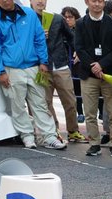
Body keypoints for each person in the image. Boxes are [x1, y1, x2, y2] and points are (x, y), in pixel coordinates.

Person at [0, 0, 67, 150]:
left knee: (40, 103)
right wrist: (0, 71)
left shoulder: (29, 14)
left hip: (33, 66)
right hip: (11, 68)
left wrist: (43, 61)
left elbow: (39, 38)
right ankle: (27, 135)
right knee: (17, 105)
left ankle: (49, 136)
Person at [75, 0, 112, 157]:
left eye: (100, 1)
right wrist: (92, 65)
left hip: (110, 73)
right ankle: (94, 144)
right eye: (93, 1)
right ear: (87, 2)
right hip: (88, 73)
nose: (97, 4)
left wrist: (101, 65)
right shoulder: (80, 23)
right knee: (90, 112)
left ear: (104, 3)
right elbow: (79, 48)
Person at [29, 0, 80, 145]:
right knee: (45, 103)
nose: (40, 1)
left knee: (70, 101)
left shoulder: (57, 18)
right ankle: (53, 132)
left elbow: (71, 37)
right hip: (40, 67)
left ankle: (73, 131)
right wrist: (37, 37)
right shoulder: (27, 19)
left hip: (60, 65)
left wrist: (78, 50)